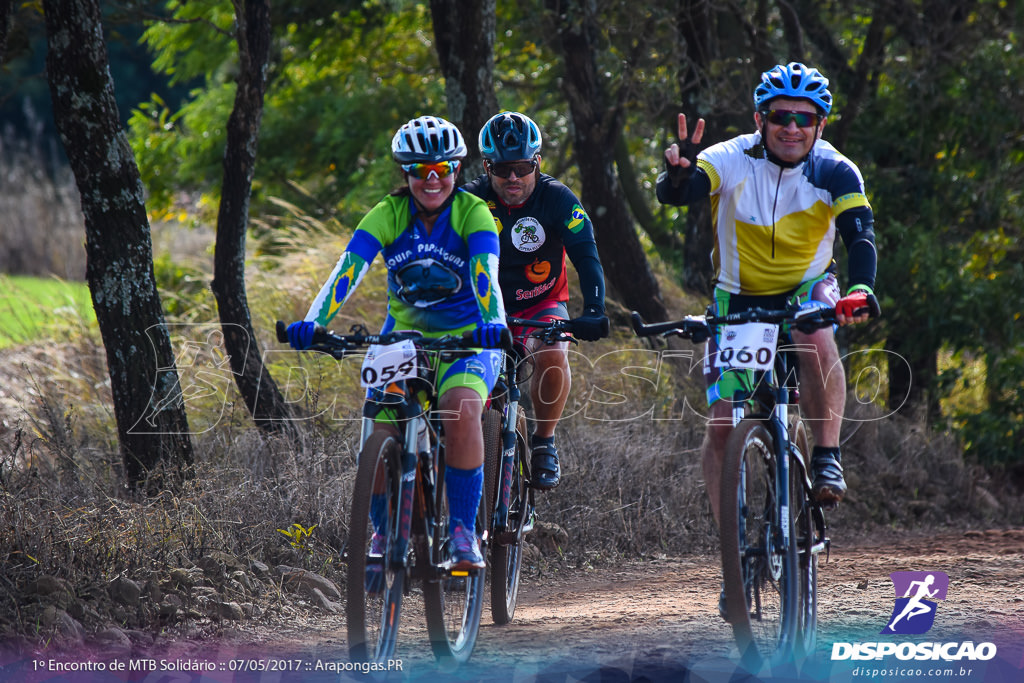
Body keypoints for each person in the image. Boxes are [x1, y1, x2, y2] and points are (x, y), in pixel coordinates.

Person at [656, 63, 879, 525]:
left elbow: (860, 238)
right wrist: (679, 176)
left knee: (814, 335)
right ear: (761, 120)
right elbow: (683, 190)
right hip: (738, 297)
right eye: (781, 117)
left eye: (804, 118)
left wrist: (860, 290)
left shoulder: (837, 170)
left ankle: (826, 455)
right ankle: (730, 552)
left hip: (807, 288)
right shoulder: (733, 157)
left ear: (821, 124)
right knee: (721, 424)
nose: (791, 128)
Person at [285, 115, 507, 570]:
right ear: (404, 173)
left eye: (442, 170)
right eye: (420, 171)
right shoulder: (387, 214)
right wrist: (313, 322)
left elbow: (486, 274)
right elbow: (348, 270)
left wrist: (494, 323)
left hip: (469, 336)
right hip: (402, 338)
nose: (432, 180)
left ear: (457, 171)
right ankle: (386, 531)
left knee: (461, 407)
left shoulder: (473, 212)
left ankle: (464, 533)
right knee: (378, 425)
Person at [462, 111, 610, 491]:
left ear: (537, 163)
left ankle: (544, 440)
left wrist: (594, 309)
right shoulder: (469, 200)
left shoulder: (558, 199)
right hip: (484, 304)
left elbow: (587, 256)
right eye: (503, 168)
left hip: (540, 303)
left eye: (523, 167)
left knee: (553, 351)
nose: (513, 177)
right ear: (487, 165)